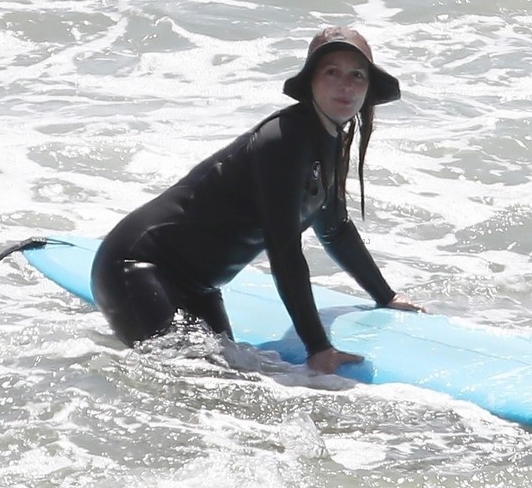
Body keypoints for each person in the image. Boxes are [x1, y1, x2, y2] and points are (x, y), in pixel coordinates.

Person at [90, 25, 423, 374]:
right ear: (310, 81)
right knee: (193, 384)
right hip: (139, 266)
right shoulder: (284, 139)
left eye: (357, 75)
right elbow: (283, 249)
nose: (346, 85)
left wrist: (386, 297)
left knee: (226, 380)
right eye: (332, 72)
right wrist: (318, 347)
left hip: (199, 285)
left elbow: (335, 228)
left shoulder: (329, 140)